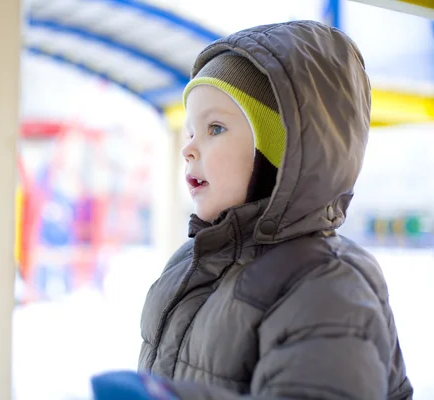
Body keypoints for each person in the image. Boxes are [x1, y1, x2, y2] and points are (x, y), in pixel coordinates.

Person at [92, 20, 413, 400]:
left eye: (214, 128)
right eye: (191, 131)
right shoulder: (191, 263)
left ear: (283, 152)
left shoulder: (327, 284)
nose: (188, 148)